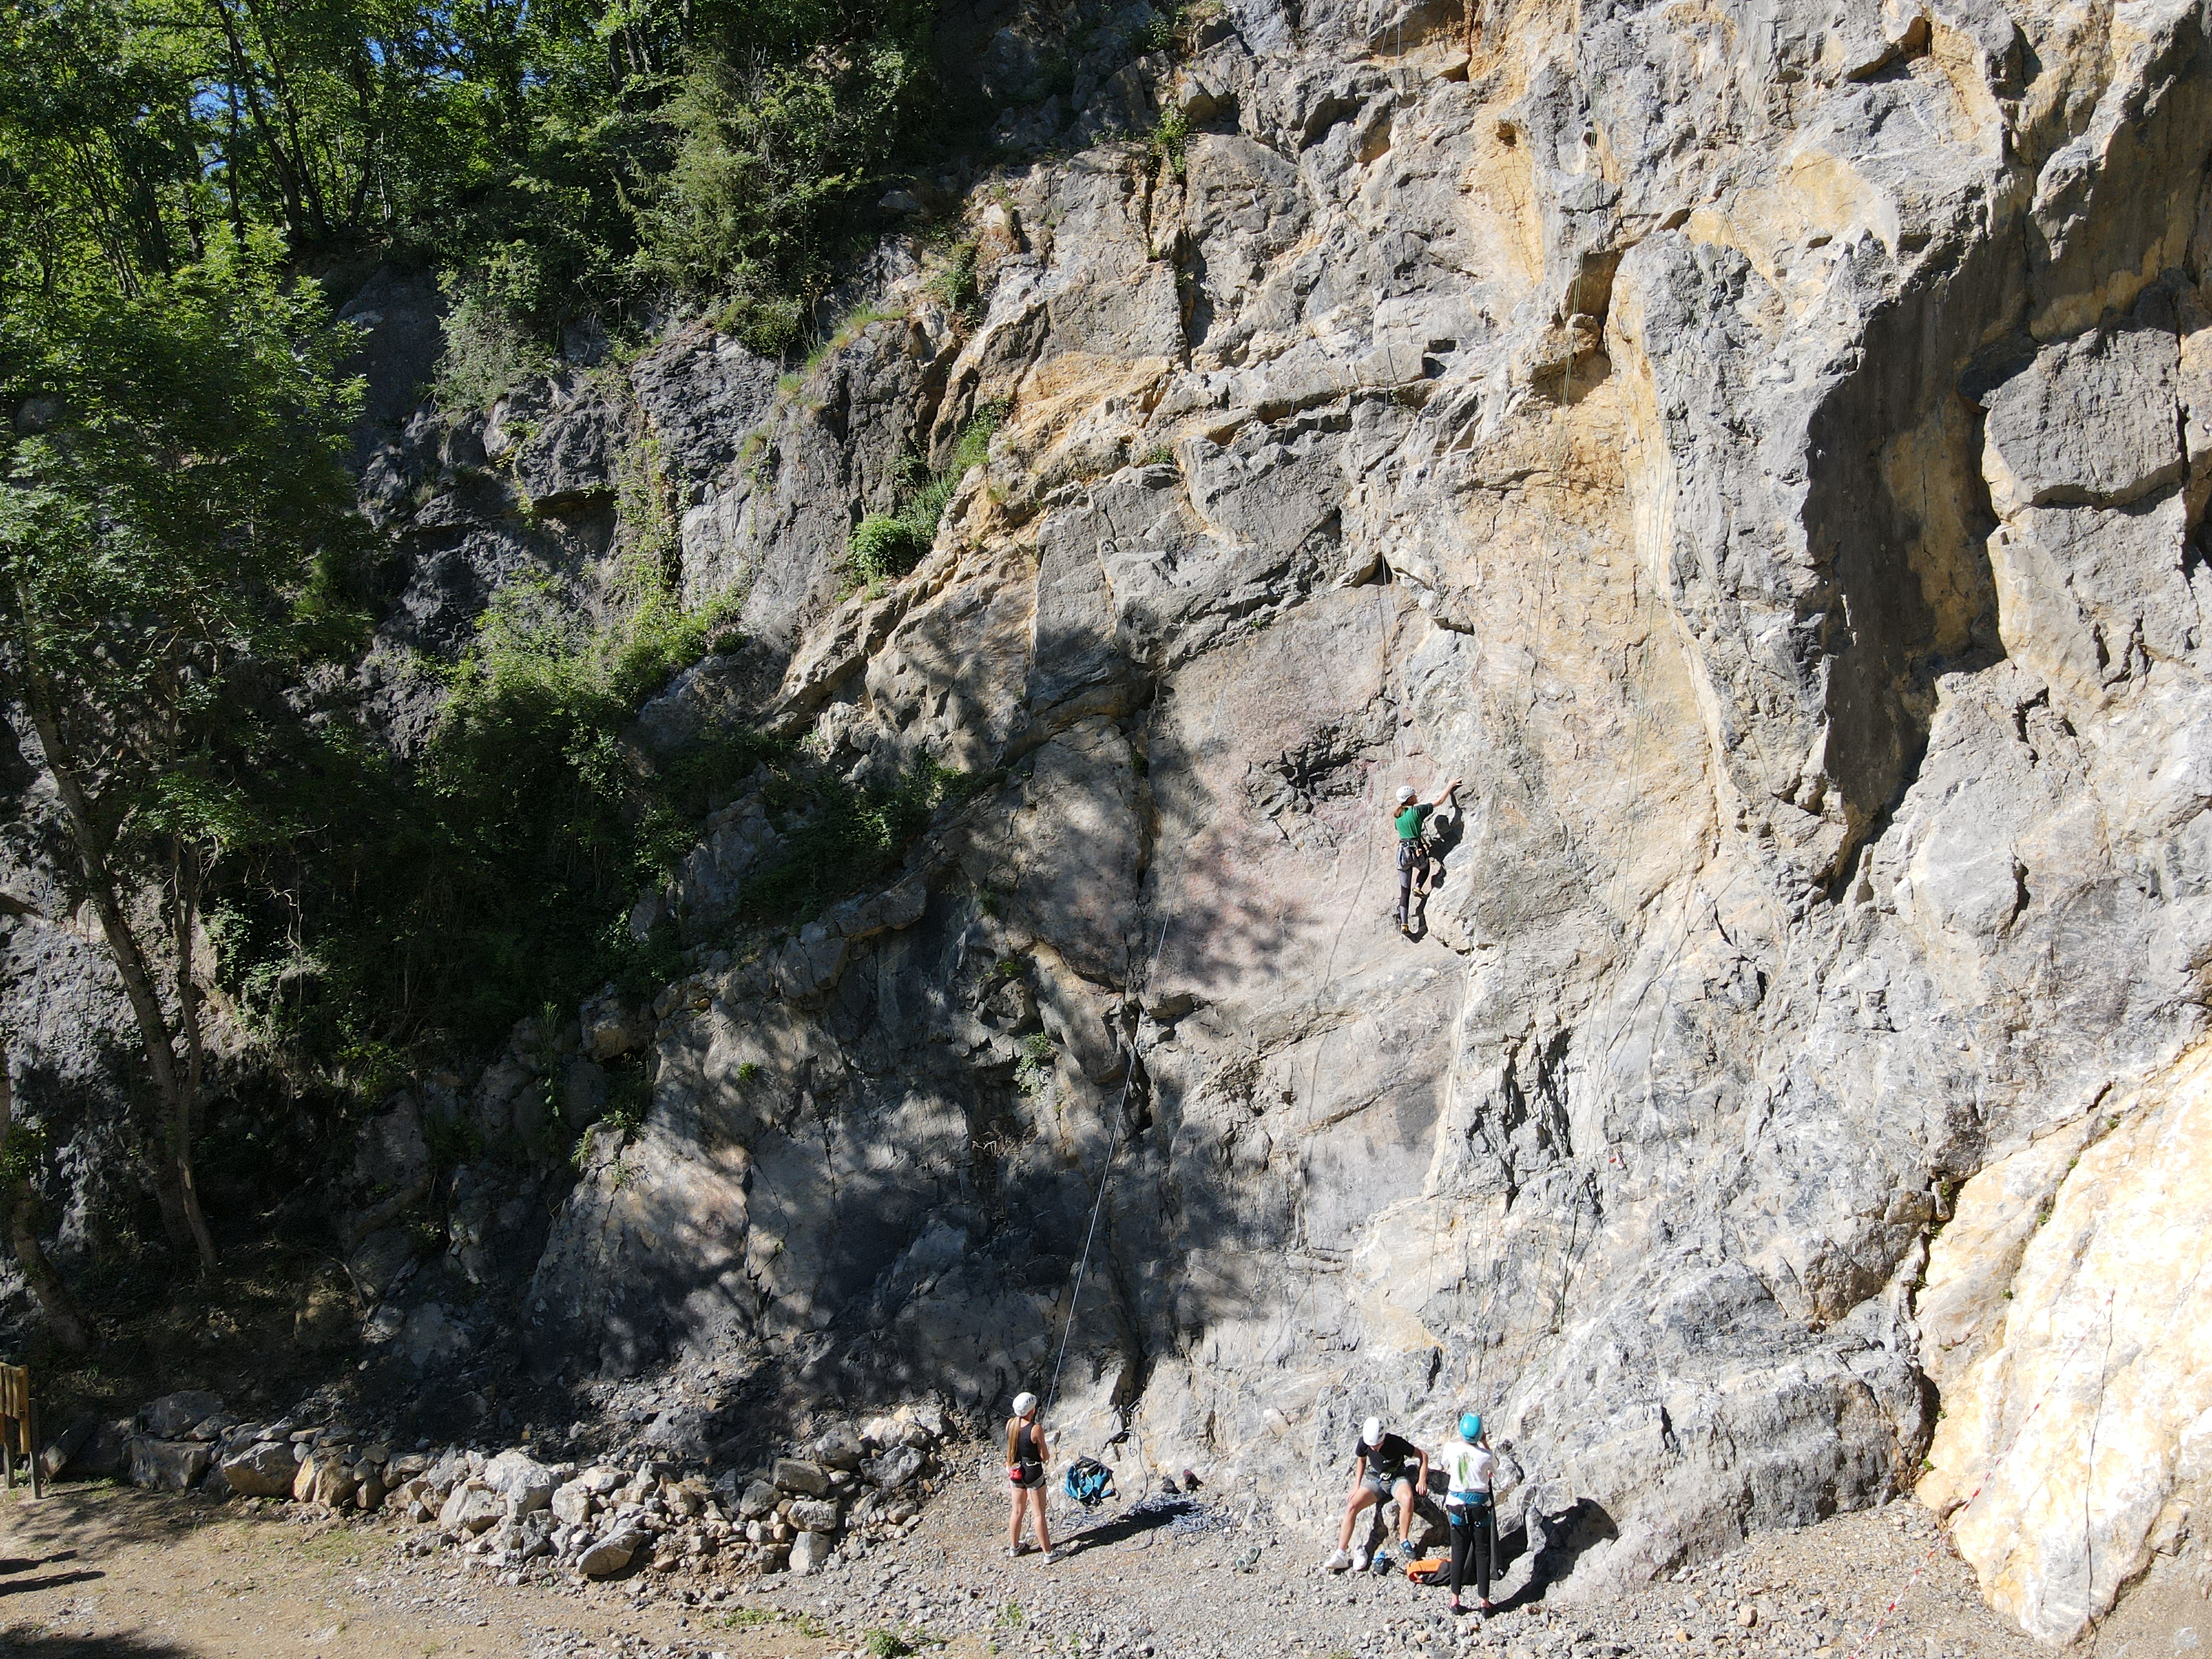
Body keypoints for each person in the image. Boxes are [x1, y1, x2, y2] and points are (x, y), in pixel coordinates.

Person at [1326, 1415, 1428, 1572]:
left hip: (1396, 1479)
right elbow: (1361, 1460)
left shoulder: (1396, 1443)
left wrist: (1422, 1480)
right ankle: (1341, 1553)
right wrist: (1356, 1486)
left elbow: (1423, 1455)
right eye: (1371, 1445)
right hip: (1376, 1480)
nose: (1374, 1448)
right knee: (1352, 1505)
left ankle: (1404, 1540)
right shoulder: (1364, 1442)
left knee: (1407, 1499)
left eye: (1377, 1444)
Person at [1441, 1412, 1496, 1614]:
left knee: (1458, 1551)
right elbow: (1495, 1468)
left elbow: (1444, 1463)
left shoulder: (1451, 1448)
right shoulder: (1486, 1455)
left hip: (1457, 1506)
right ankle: (1484, 1601)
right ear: (1480, 1433)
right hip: (1480, 1507)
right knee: (1482, 1552)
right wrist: (1485, 1442)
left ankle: (1455, 1599)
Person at [1391, 779, 1461, 937]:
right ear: (1410, 799)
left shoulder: (1397, 816)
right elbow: (1439, 801)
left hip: (1402, 854)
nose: (1416, 796)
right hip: (1416, 851)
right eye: (1414, 795)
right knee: (1425, 868)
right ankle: (1418, 886)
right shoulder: (1418, 811)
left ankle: (1405, 925)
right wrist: (1450, 785)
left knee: (1404, 891)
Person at [1005, 1391, 1057, 1562]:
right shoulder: (1035, 1429)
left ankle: (1014, 1548)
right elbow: (1044, 1456)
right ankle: (1049, 1553)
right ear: (1032, 1411)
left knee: (1017, 1511)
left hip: (1015, 1472)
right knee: (1038, 1515)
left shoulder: (1010, 1425)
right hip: (1033, 1473)